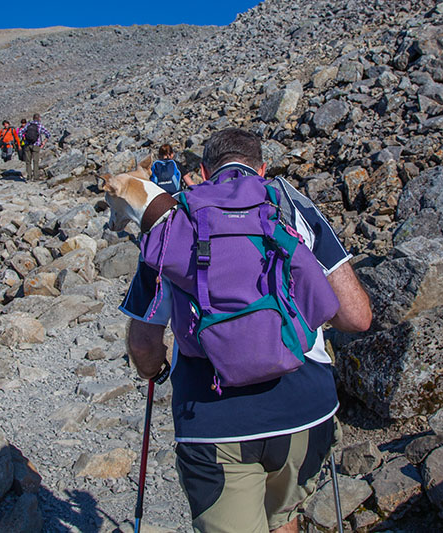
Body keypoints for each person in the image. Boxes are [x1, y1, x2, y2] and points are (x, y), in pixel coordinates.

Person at [120, 128, 372, 533]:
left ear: (202, 172)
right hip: (305, 409)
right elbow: (357, 317)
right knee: (283, 518)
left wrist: (154, 371)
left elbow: (144, 342)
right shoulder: (292, 205)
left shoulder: (173, 223)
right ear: (262, 168)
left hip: (213, 419)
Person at [20, 113, 51, 181]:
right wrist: (44, 142)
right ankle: (36, 177)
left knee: (28, 161)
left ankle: (29, 176)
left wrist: (23, 140)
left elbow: (20, 132)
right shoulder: (39, 125)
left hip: (27, 145)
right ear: (39, 118)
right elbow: (48, 134)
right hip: (36, 145)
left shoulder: (28, 124)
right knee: (35, 161)